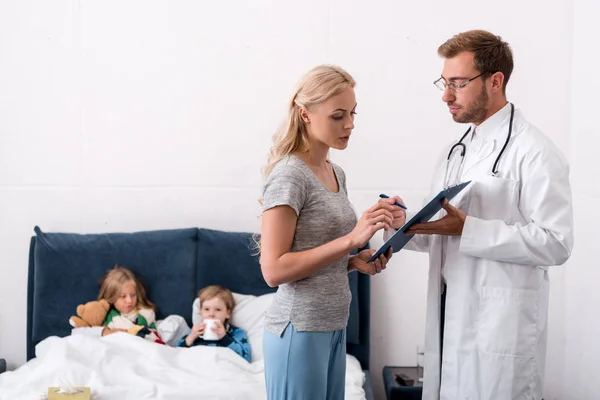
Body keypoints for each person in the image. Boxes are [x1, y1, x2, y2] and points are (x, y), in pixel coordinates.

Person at [381, 30, 574, 399]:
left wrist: (469, 230)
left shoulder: (535, 152)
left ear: (495, 81)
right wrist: (401, 221)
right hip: (449, 320)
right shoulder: (456, 151)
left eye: (458, 83)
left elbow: (557, 244)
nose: (446, 95)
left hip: (500, 330)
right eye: (444, 82)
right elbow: (438, 232)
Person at [259, 64, 395, 400]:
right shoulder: (290, 175)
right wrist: (351, 240)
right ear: (304, 114)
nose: (349, 124)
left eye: (352, 113)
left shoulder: (336, 172)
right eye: (337, 115)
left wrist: (353, 261)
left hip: (334, 325)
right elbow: (274, 270)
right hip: (299, 329)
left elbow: (317, 254)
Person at [177, 285, 251, 362]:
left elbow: (246, 359)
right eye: (206, 309)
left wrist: (224, 338)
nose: (211, 314)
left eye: (218, 309)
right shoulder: (195, 331)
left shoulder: (236, 333)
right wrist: (190, 338)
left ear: (227, 313)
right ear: (201, 312)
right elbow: (176, 354)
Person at [98, 264, 164, 344]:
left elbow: (155, 336)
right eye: (123, 296)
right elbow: (102, 334)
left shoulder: (146, 313)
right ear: (111, 298)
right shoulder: (110, 317)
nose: (129, 301)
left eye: (133, 295)